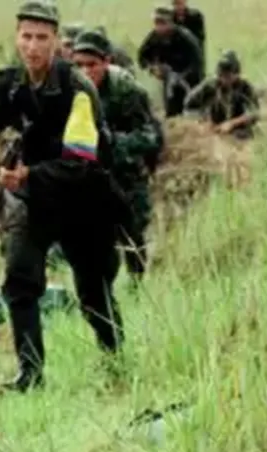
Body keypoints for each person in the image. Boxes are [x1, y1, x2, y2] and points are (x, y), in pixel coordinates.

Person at [0, 0, 129, 392]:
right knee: (20, 284)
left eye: (42, 38)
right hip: (33, 198)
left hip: (83, 198)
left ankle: (117, 361)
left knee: (93, 292)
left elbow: (82, 163)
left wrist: (29, 174)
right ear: (16, 39)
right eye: (26, 37)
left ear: (57, 42)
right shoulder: (9, 82)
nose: (33, 46)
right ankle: (30, 374)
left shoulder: (77, 89)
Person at [70, 31, 164, 282]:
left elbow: (151, 136)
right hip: (86, 175)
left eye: (92, 64)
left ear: (107, 61)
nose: (85, 71)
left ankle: (137, 286)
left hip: (125, 174)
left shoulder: (127, 91)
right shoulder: (67, 89)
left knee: (132, 235)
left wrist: (114, 145)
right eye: (79, 65)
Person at [137, 6, 204, 117]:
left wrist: (182, 77)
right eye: (157, 23)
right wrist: (152, 68)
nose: (159, 27)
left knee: (191, 112)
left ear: (171, 23)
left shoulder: (185, 37)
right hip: (170, 78)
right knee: (171, 113)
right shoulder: (154, 37)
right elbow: (142, 56)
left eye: (162, 23)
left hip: (189, 79)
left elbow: (197, 62)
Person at [185, 51, 260, 139]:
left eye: (228, 76)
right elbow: (189, 105)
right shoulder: (210, 85)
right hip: (212, 128)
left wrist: (232, 123)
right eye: (221, 75)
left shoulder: (245, 87)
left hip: (238, 130)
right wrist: (204, 120)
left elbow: (254, 112)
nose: (224, 80)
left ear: (237, 74)